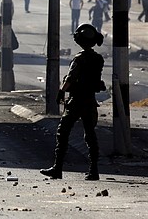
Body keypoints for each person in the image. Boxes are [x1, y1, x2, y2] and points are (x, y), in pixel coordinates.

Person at [40, 23, 105, 181]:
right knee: (90, 135)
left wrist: (61, 91)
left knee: (63, 133)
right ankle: (94, 170)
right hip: (90, 100)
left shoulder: (79, 59)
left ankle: (58, 168)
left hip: (76, 100)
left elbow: (70, 78)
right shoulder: (98, 59)